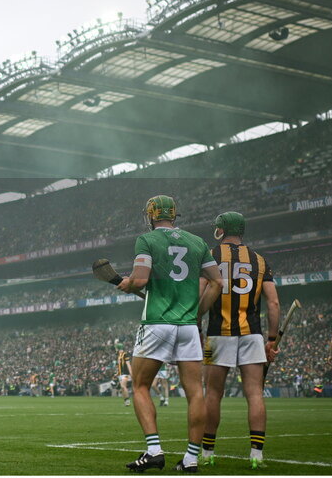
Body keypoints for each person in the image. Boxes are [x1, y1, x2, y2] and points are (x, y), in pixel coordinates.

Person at [118, 195, 221, 473]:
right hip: (188, 327)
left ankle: (153, 451)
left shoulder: (147, 240)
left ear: (151, 215)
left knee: (140, 386)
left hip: (156, 324)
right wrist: (198, 314)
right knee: (194, 392)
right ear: (174, 215)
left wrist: (128, 284)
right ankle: (190, 459)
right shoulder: (198, 242)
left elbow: (140, 280)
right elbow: (217, 282)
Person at [198, 212, 280, 469]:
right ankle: (256, 455)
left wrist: (195, 328)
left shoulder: (209, 255)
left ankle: (207, 453)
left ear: (221, 230)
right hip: (251, 334)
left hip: (217, 334)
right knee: (255, 393)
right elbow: (274, 303)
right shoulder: (259, 260)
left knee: (212, 394)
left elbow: (199, 294)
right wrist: (272, 339)